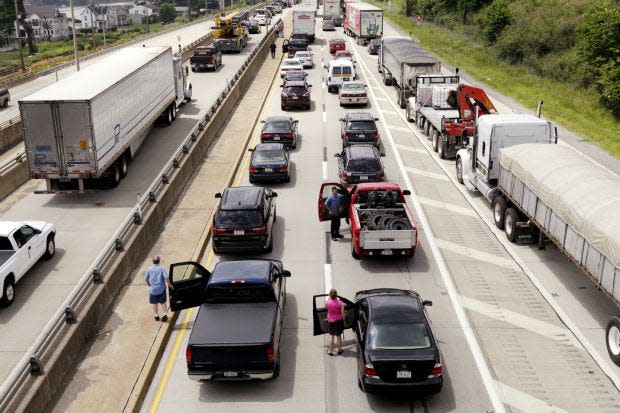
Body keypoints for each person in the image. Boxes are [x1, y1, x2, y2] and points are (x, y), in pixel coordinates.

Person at [144, 256, 172, 321]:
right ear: (159, 260)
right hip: (161, 289)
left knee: (155, 303)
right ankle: (165, 314)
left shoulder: (149, 269)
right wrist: (170, 285)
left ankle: (156, 316)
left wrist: (149, 285)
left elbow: (146, 279)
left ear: (153, 261)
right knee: (163, 302)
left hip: (153, 290)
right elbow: (166, 278)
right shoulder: (162, 268)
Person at [325, 289, 345, 356]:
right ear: (336, 295)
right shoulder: (341, 303)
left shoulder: (327, 302)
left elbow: (327, 309)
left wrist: (329, 299)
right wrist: (344, 321)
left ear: (330, 295)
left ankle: (330, 351)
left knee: (331, 336)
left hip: (331, 321)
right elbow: (342, 313)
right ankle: (339, 350)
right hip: (339, 321)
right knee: (338, 336)